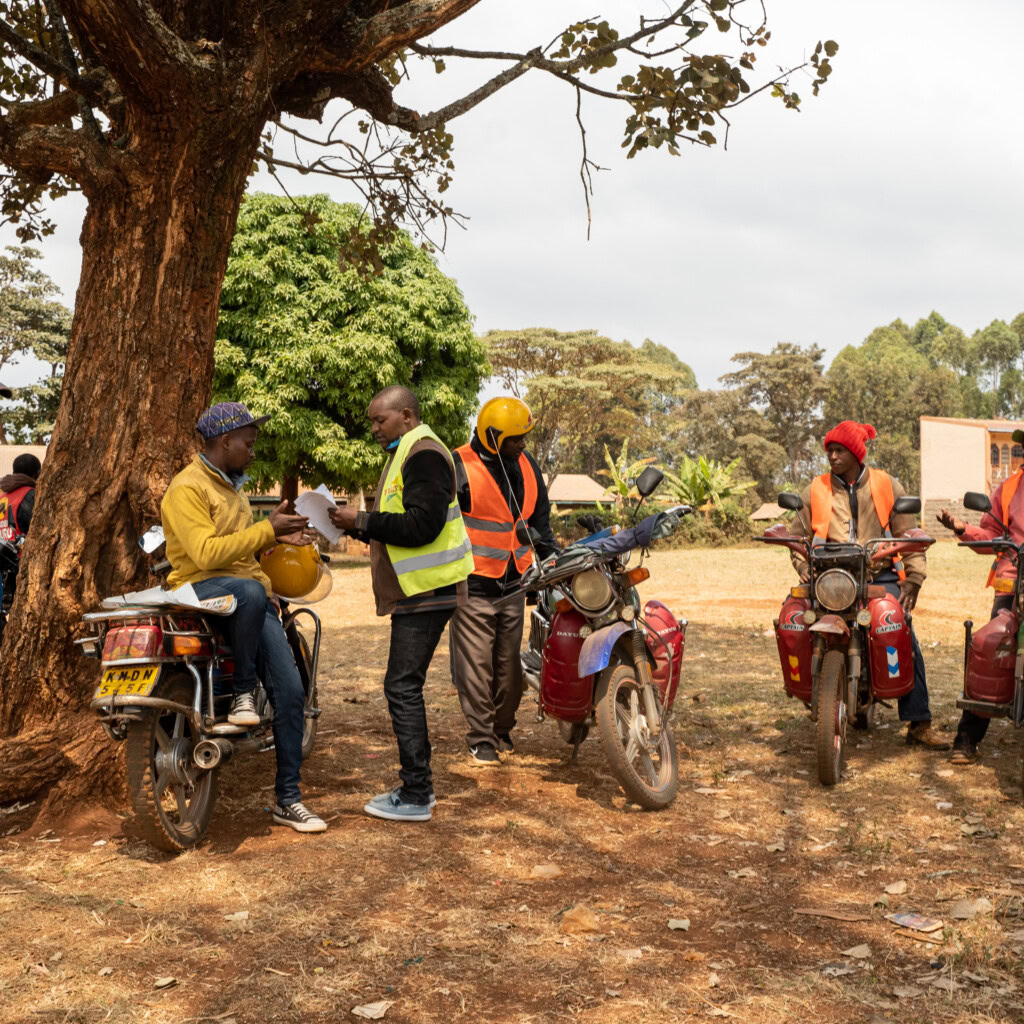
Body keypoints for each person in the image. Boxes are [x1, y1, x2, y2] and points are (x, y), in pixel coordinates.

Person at [161, 401, 327, 833]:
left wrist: (277, 539)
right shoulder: (187, 489)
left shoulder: (232, 487)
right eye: (248, 444)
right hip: (200, 591)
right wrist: (266, 531)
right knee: (250, 590)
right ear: (224, 441)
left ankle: (288, 799)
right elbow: (206, 554)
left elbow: (242, 551)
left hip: (249, 598)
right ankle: (242, 695)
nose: (253, 451)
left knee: (291, 693)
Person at [329, 385, 474, 823]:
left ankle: (416, 793)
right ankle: (416, 787)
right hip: (422, 591)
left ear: (407, 416)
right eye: (372, 422)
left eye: (380, 420)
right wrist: (355, 525)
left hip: (428, 591)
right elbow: (401, 524)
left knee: (402, 686)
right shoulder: (408, 451)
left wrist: (362, 520)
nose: (374, 428)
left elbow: (422, 526)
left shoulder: (423, 453)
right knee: (403, 684)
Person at [790, 420, 949, 750]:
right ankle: (815, 692)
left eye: (839, 450)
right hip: (830, 577)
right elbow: (795, 535)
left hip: (879, 575)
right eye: (829, 450)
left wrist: (915, 578)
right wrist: (803, 564)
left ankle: (919, 721)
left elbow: (909, 534)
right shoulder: (816, 488)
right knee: (794, 619)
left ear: (856, 453)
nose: (832, 456)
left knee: (901, 628)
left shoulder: (886, 484)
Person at [449, 397, 557, 763]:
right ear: (493, 437)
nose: (523, 445)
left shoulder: (528, 466)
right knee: (476, 666)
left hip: (515, 584)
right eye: (515, 439)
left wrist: (551, 563)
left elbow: (540, 522)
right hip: (473, 585)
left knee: (510, 667)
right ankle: (481, 738)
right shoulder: (457, 464)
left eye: (525, 438)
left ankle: (502, 729)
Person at [937, 441, 1024, 764]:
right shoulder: (1010, 487)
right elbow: (991, 535)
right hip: (1015, 580)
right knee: (991, 646)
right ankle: (967, 736)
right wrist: (963, 528)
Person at [0, 452, 41, 543]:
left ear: (14, 473)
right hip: (21, 554)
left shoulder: (2, 497)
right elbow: (40, 530)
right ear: (38, 474)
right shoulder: (31, 495)